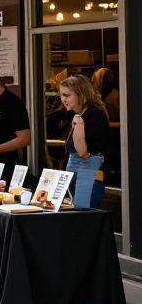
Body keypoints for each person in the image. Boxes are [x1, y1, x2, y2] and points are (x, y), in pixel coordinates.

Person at [59, 74, 108, 209]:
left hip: (87, 174)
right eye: (62, 95)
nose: (63, 99)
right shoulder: (78, 114)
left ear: (81, 94)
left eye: (67, 95)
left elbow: (82, 151)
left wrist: (79, 127)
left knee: (83, 217)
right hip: (78, 174)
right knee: (77, 216)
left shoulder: (94, 115)